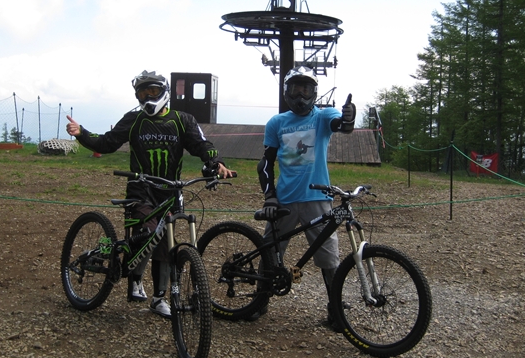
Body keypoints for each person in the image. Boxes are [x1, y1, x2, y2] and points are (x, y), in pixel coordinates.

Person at [66, 70, 234, 319]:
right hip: (140, 189)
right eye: (142, 93)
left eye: (152, 92)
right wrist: (82, 133)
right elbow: (107, 143)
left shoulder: (182, 120)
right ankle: (135, 278)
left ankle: (159, 299)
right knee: (148, 232)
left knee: (166, 246)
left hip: (171, 192)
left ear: (164, 92)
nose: (147, 97)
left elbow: (202, 145)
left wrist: (216, 163)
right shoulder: (133, 119)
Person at [254, 66, 356, 324]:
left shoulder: (323, 116)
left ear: (314, 93)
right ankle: (259, 302)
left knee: (328, 256)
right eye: (295, 90)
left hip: (317, 199)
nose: (300, 96)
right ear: (286, 92)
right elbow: (265, 163)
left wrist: (348, 118)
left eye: (306, 90)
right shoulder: (277, 123)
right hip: (284, 200)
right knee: (270, 251)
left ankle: (335, 310)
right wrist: (269, 197)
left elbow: (340, 125)